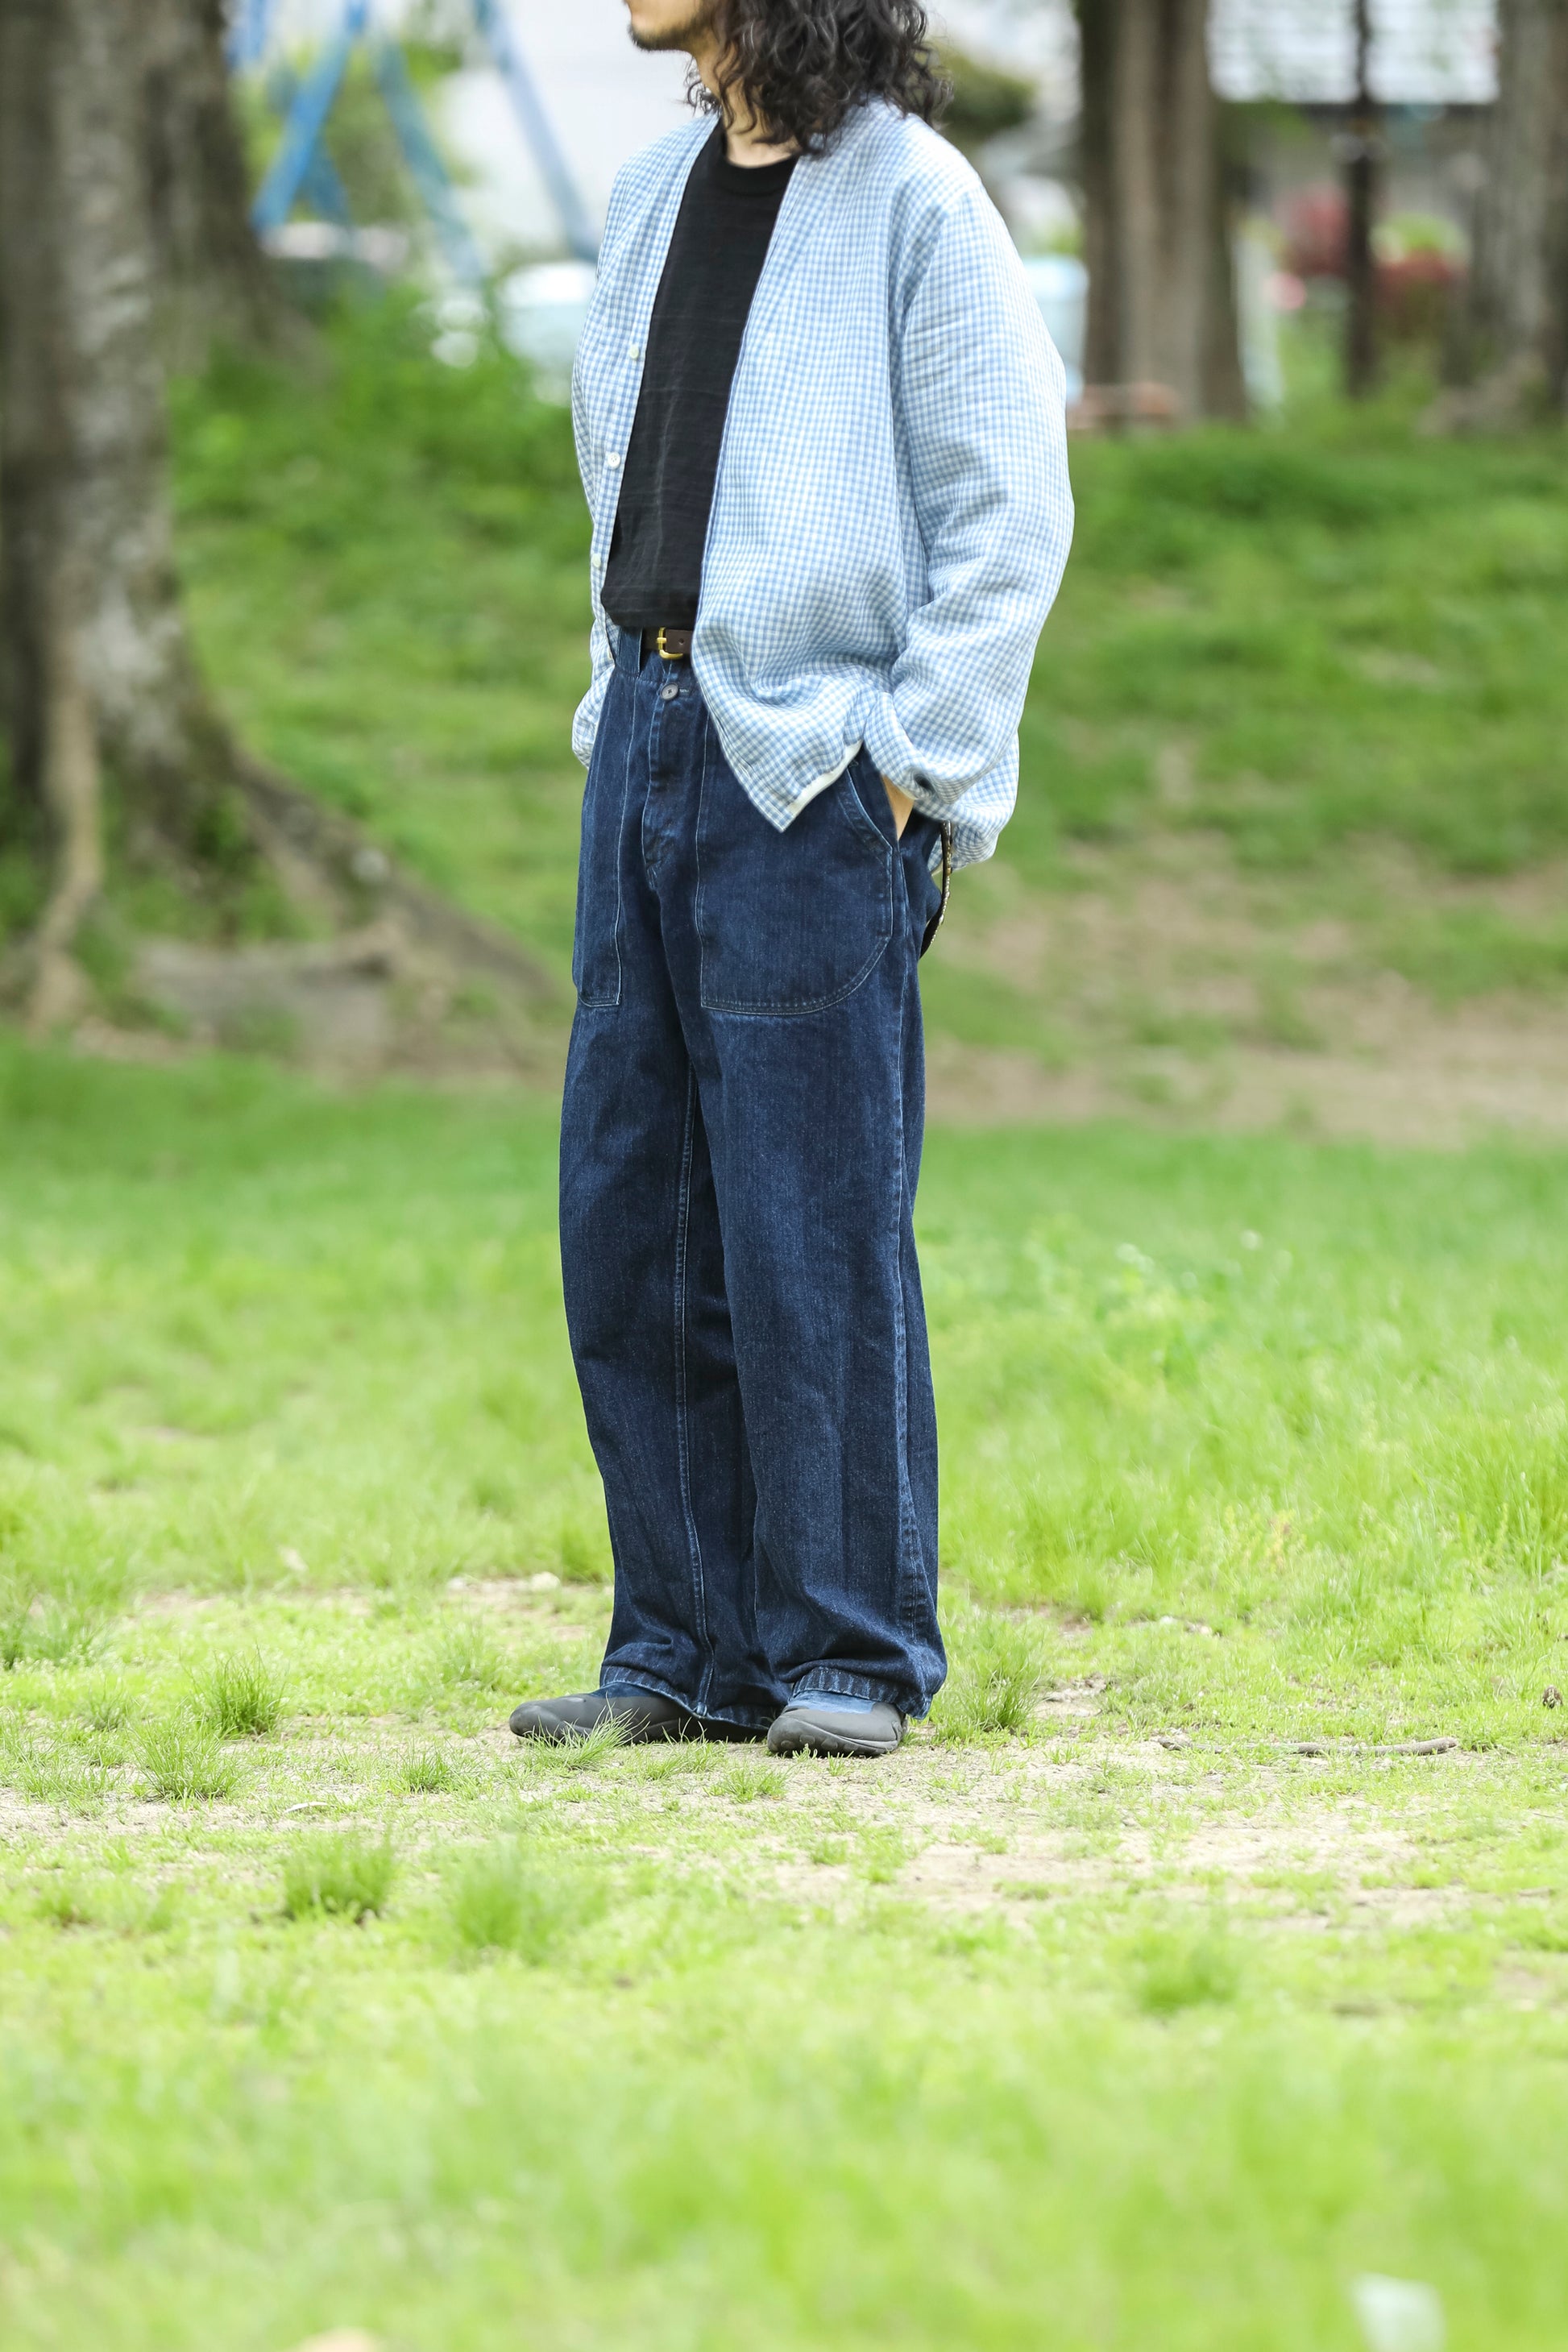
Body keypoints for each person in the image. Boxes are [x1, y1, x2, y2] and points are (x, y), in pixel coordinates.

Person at [509, 0, 1072, 1760]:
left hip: (810, 766)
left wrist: (909, 769)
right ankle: (681, 1652)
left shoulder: (914, 198)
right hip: (648, 734)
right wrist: (616, 705)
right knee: (632, 1220)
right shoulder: (648, 192)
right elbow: (622, 476)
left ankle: (849, 1650)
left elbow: (1008, 511)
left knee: (809, 1220)